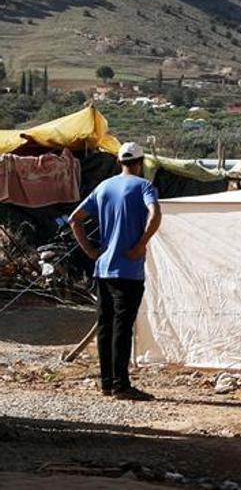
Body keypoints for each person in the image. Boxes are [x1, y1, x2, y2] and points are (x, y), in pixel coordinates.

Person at [69, 142, 161, 401]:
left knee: (105, 325)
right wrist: (141, 244)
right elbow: (155, 214)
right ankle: (122, 384)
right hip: (128, 270)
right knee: (122, 326)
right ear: (140, 163)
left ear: (120, 162)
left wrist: (90, 251)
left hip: (103, 268)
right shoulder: (144, 186)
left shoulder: (104, 187)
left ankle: (107, 383)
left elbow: (74, 218)